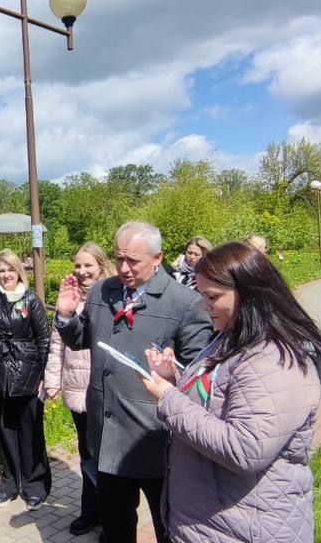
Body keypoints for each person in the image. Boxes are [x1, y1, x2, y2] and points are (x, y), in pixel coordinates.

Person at [141, 241, 321, 543]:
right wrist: (174, 378)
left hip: (246, 527)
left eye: (212, 297)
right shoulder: (233, 337)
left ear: (249, 293)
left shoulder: (273, 358)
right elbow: (217, 399)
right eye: (202, 295)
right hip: (214, 521)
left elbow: (245, 449)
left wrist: (169, 398)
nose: (205, 306)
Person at [54, 221, 214, 543]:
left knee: (168, 527)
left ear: (158, 258)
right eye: (119, 259)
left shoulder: (185, 303)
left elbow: (200, 375)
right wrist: (67, 317)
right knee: (115, 528)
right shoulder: (103, 291)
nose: (124, 269)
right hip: (107, 436)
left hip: (155, 440)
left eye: (133, 261)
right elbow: (83, 338)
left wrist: (174, 376)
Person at [0, 249, 51, 511]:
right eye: (1, 270)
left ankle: (34, 485)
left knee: (30, 432)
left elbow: (43, 339)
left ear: (19, 271)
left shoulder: (31, 301)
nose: (6, 275)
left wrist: (44, 375)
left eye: (10, 270)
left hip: (27, 374)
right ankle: (9, 483)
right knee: (3, 431)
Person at [44, 241, 112, 536]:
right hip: (78, 389)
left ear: (101, 266)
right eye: (78, 265)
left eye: (88, 265)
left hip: (106, 393)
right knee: (87, 456)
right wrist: (52, 381)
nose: (82, 271)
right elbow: (57, 343)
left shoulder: (113, 297)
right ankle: (90, 512)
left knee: (108, 460)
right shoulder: (71, 299)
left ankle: (112, 518)